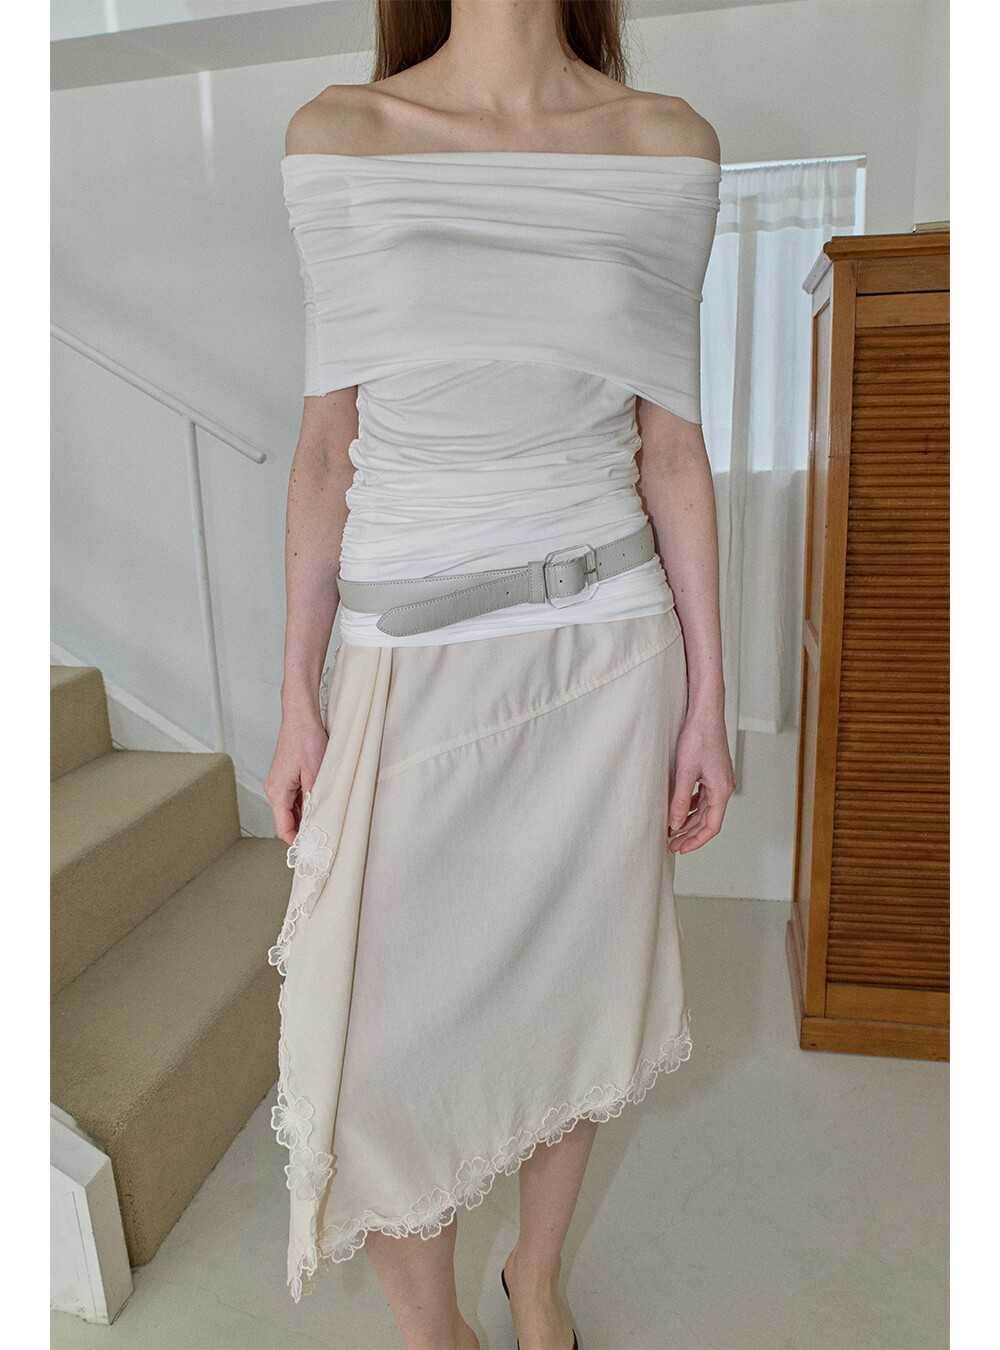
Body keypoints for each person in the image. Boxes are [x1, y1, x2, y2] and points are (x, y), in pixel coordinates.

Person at [264, 3, 736, 1347]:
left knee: (569, 993)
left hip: (605, 656)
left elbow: (671, 450)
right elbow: (326, 447)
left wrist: (708, 700)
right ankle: (436, 1333)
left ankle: (537, 1276)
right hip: (407, 665)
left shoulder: (665, 145)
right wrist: (297, 695)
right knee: (383, 1048)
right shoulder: (341, 136)